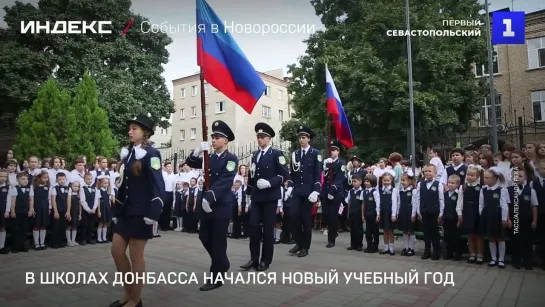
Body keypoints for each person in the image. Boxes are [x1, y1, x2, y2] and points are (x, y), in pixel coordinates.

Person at [109, 114, 165, 307]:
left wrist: (154, 211)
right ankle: (128, 293)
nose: (130, 131)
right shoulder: (129, 153)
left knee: (135, 256)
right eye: (130, 128)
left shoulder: (151, 154)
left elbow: (158, 183)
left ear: (145, 132)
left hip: (141, 213)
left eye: (134, 128)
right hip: (125, 211)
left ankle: (135, 299)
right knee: (116, 251)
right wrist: (116, 208)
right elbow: (123, 184)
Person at [185, 120, 238, 291]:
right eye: (213, 137)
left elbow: (225, 181)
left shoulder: (231, 159)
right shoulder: (209, 157)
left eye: (217, 137)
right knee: (204, 237)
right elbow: (190, 162)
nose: (213, 140)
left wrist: (210, 196)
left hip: (220, 205)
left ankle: (216, 276)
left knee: (218, 240)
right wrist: (198, 151)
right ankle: (222, 261)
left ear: (226, 140)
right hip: (206, 204)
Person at [241, 123, 290, 271]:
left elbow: (284, 174)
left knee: (268, 230)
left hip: (270, 197)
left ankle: (265, 260)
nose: (259, 140)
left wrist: (270, 182)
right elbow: (252, 176)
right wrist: (248, 196)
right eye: (258, 137)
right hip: (256, 197)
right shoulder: (255, 155)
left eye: (262, 137)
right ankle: (254, 258)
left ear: (269, 139)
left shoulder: (277, 154)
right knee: (254, 228)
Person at [285, 126, 322, 258]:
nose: (301, 140)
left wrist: (316, 191)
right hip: (297, 191)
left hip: (308, 192)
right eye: (300, 138)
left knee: (306, 220)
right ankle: (299, 242)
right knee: (293, 217)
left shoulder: (315, 153)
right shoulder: (295, 154)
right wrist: (289, 187)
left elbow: (318, 174)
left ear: (309, 139)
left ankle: (305, 247)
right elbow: (292, 173)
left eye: (304, 137)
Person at [412, 164, 444, 260]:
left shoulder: (438, 184)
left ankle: (436, 251)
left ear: (435, 173)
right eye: (426, 171)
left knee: (434, 232)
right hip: (423, 211)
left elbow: (441, 199)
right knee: (426, 232)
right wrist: (418, 211)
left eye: (430, 171)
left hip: (434, 211)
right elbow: (417, 198)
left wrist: (441, 213)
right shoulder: (420, 184)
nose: (427, 173)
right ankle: (427, 250)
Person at [508, 169, 538, 269]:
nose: (517, 178)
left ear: (525, 178)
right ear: (512, 178)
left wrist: (534, 220)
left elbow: (534, 206)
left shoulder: (531, 190)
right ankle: (516, 261)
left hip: (527, 220)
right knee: (516, 241)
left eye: (520, 176)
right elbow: (507, 206)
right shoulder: (509, 190)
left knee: (527, 241)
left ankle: (528, 261)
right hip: (514, 220)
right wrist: (508, 219)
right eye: (515, 176)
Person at [479, 167, 509, 269]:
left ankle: (501, 259)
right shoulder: (483, 190)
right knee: (491, 237)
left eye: (487, 178)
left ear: (495, 178)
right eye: (484, 178)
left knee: (500, 237)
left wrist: (504, 218)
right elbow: (481, 204)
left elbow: (504, 205)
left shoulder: (501, 190)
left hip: (498, 216)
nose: (485, 180)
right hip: (487, 216)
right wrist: (482, 214)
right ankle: (493, 258)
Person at [321, 140, 346, 248]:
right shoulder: (327, 161)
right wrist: (325, 165)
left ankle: (331, 239)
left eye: (334, 150)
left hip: (335, 192)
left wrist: (332, 190)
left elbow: (339, 178)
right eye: (331, 150)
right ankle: (333, 230)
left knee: (332, 215)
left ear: (338, 151)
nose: (332, 152)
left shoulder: (341, 163)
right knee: (325, 214)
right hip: (325, 191)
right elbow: (323, 176)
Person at [441, 175, 463, 261]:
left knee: (456, 237)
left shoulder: (459, 194)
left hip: (455, 219)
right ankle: (449, 252)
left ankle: (457, 253)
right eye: (449, 182)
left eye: (452, 183)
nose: (450, 184)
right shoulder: (445, 194)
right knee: (447, 236)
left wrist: (459, 218)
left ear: (458, 184)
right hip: (447, 218)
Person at [345, 174, 364, 251]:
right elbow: (349, 202)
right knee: (352, 229)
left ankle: (359, 245)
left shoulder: (362, 191)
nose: (353, 183)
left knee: (358, 230)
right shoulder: (351, 191)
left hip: (358, 213)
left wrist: (362, 215)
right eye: (352, 181)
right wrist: (348, 212)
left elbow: (363, 203)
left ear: (360, 182)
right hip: (352, 212)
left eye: (355, 181)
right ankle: (353, 244)